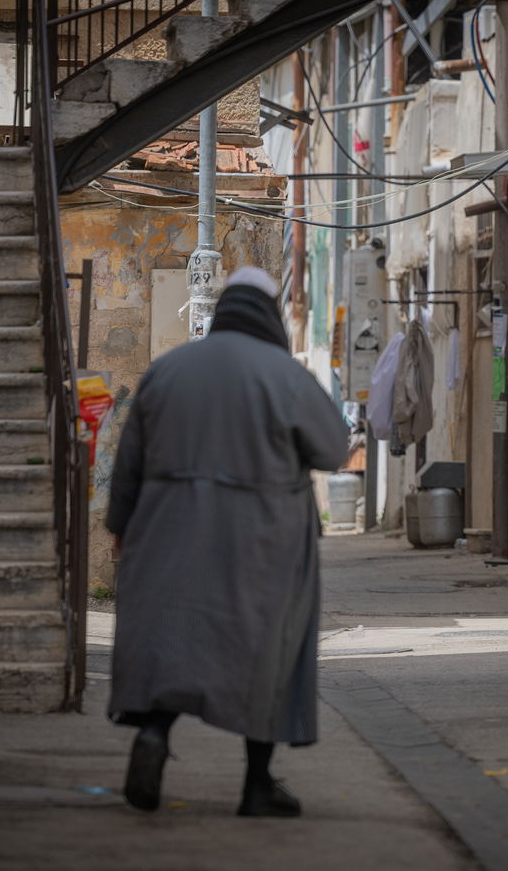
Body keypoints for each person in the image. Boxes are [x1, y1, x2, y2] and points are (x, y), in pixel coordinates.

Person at [104, 266, 350, 818]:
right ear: (269, 314)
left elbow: (128, 465)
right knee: (265, 653)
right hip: (263, 541)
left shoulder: (168, 370)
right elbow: (333, 450)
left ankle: (154, 735)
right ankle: (257, 784)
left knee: (172, 639)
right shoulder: (284, 376)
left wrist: (122, 528)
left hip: (166, 529)